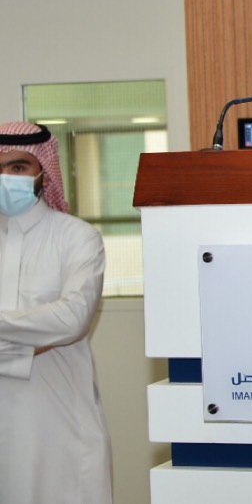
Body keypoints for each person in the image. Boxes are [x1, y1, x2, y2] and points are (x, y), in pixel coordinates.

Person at [0, 122, 113, 504]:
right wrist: (30, 344)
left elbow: (72, 319)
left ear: (43, 172)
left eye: (18, 167)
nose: (6, 177)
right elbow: (54, 322)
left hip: (59, 419)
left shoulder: (77, 237)